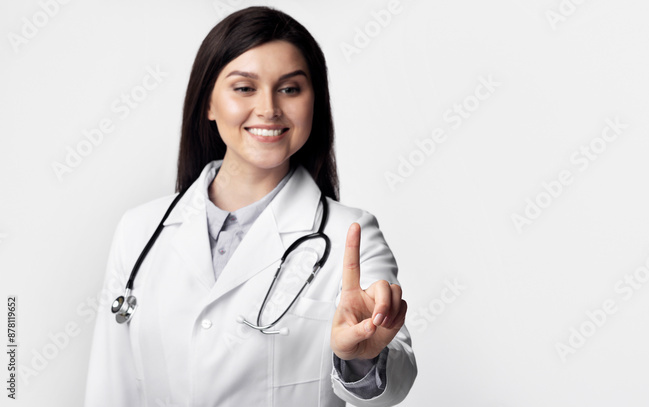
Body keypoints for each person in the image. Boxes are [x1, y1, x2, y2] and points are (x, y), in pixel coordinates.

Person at [83, 6, 417, 406]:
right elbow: (109, 388)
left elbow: (393, 384)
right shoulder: (139, 230)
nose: (269, 108)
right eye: (244, 88)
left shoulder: (350, 234)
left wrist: (359, 360)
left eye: (290, 89)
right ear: (208, 103)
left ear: (315, 104)